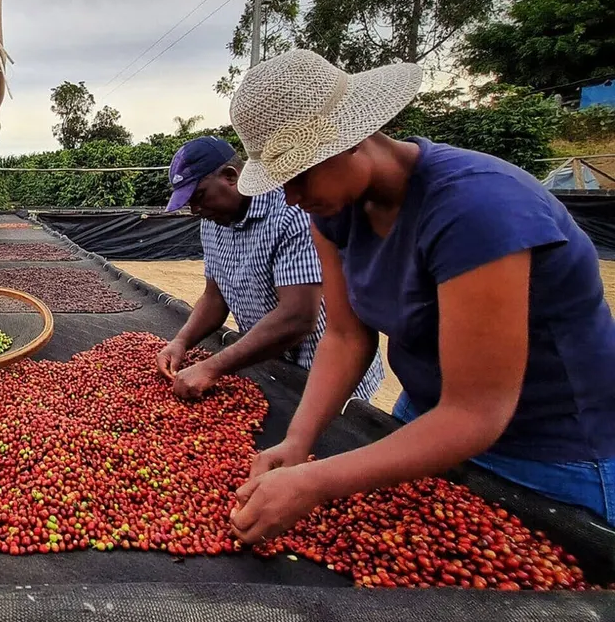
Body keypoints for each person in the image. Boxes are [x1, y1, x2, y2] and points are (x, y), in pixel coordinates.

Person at [225, 49, 615, 543]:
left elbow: (476, 410)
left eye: (299, 176)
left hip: (551, 455)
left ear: (352, 141)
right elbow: (345, 337)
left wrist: (316, 482)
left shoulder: (476, 208)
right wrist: (298, 441)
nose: (291, 198)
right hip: (424, 425)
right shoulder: (334, 212)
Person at [155, 136, 384, 401]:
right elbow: (214, 296)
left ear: (230, 176)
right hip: (268, 363)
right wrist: (181, 341)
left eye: (199, 197)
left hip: (323, 371)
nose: (196, 210)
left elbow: (297, 317)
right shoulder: (212, 224)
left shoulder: (293, 211)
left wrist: (212, 366)